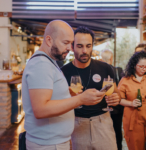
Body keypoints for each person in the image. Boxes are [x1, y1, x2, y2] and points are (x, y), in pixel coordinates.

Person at [22, 20, 105, 150]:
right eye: (65, 43)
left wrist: (66, 93)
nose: (69, 48)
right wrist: (80, 99)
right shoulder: (41, 64)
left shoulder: (49, 62)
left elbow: (49, 95)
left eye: (70, 43)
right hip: (47, 145)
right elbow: (40, 109)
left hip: (52, 142)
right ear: (49, 40)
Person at [61, 26, 120, 150]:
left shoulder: (106, 68)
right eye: (80, 46)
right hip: (76, 124)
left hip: (103, 122)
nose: (85, 51)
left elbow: (116, 93)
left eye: (88, 46)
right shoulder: (63, 72)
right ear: (72, 47)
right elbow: (58, 102)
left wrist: (116, 98)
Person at [118, 51, 146, 150]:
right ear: (134, 65)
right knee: (136, 146)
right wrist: (131, 103)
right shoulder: (125, 80)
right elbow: (119, 99)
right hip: (133, 119)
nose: (144, 69)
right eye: (141, 66)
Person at [101, 49, 124, 150]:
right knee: (117, 131)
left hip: (103, 106)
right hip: (117, 107)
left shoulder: (99, 70)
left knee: (104, 133)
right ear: (111, 58)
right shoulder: (118, 70)